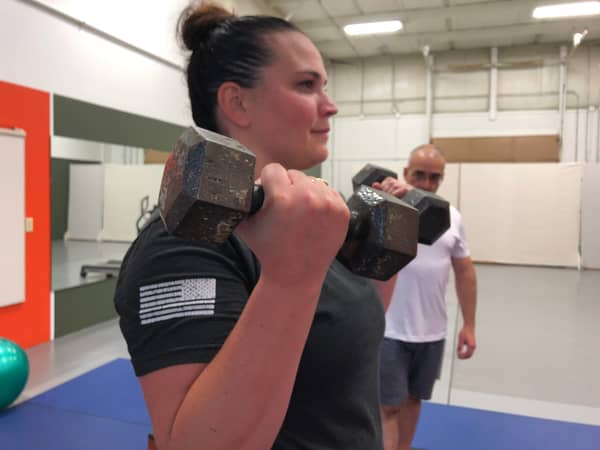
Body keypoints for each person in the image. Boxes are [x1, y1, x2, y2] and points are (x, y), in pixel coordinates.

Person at [114, 3, 397, 450]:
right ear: (237, 102)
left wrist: (383, 252)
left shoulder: (307, 215)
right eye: (306, 85)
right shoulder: (185, 241)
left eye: (324, 86)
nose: (331, 106)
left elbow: (349, 330)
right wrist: (289, 278)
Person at [372, 144, 477, 450]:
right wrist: (386, 201)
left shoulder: (452, 217)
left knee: (413, 399)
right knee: (387, 407)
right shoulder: (386, 209)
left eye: (435, 178)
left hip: (431, 332)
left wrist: (469, 324)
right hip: (388, 330)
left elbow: (465, 271)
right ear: (406, 173)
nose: (427, 184)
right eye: (419, 175)